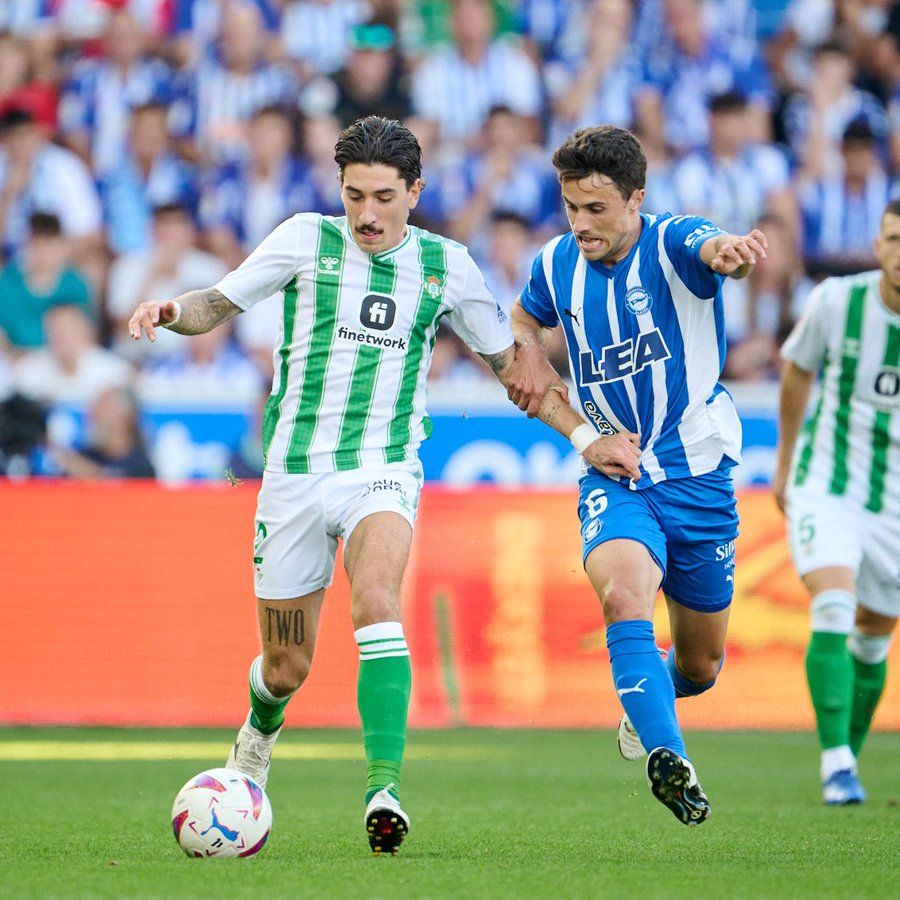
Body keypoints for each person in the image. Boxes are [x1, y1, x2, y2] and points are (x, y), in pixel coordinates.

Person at [127, 116, 584, 854]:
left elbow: (515, 369)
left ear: (415, 192)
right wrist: (174, 311)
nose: (366, 214)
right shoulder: (307, 238)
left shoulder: (446, 266)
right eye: (353, 196)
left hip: (383, 467)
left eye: (381, 197)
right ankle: (256, 738)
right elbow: (220, 300)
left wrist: (587, 438)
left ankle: (384, 787)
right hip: (294, 477)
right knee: (285, 667)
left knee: (376, 598)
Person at [506, 125, 768, 826]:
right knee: (624, 594)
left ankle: (650, 702)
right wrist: (528, 350)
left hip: (699, 475)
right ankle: (669, 756)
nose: (581, 224)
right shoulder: (555, 264)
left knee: (702, 666)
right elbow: (523, 322)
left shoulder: (672, 239)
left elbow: (712, 248)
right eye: (571, 208)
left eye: (596, 209)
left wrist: (733, 255)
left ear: (635, 199)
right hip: (613, 471)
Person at [773, 198, 900, 805]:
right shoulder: (836, 302)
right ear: (877, 245)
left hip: (894, 502)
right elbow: (796, 370)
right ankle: (836, 763)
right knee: (833, 603)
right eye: (893, 240)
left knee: (875, 634)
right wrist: (786, 465)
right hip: (828, 483)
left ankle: (848, 755)